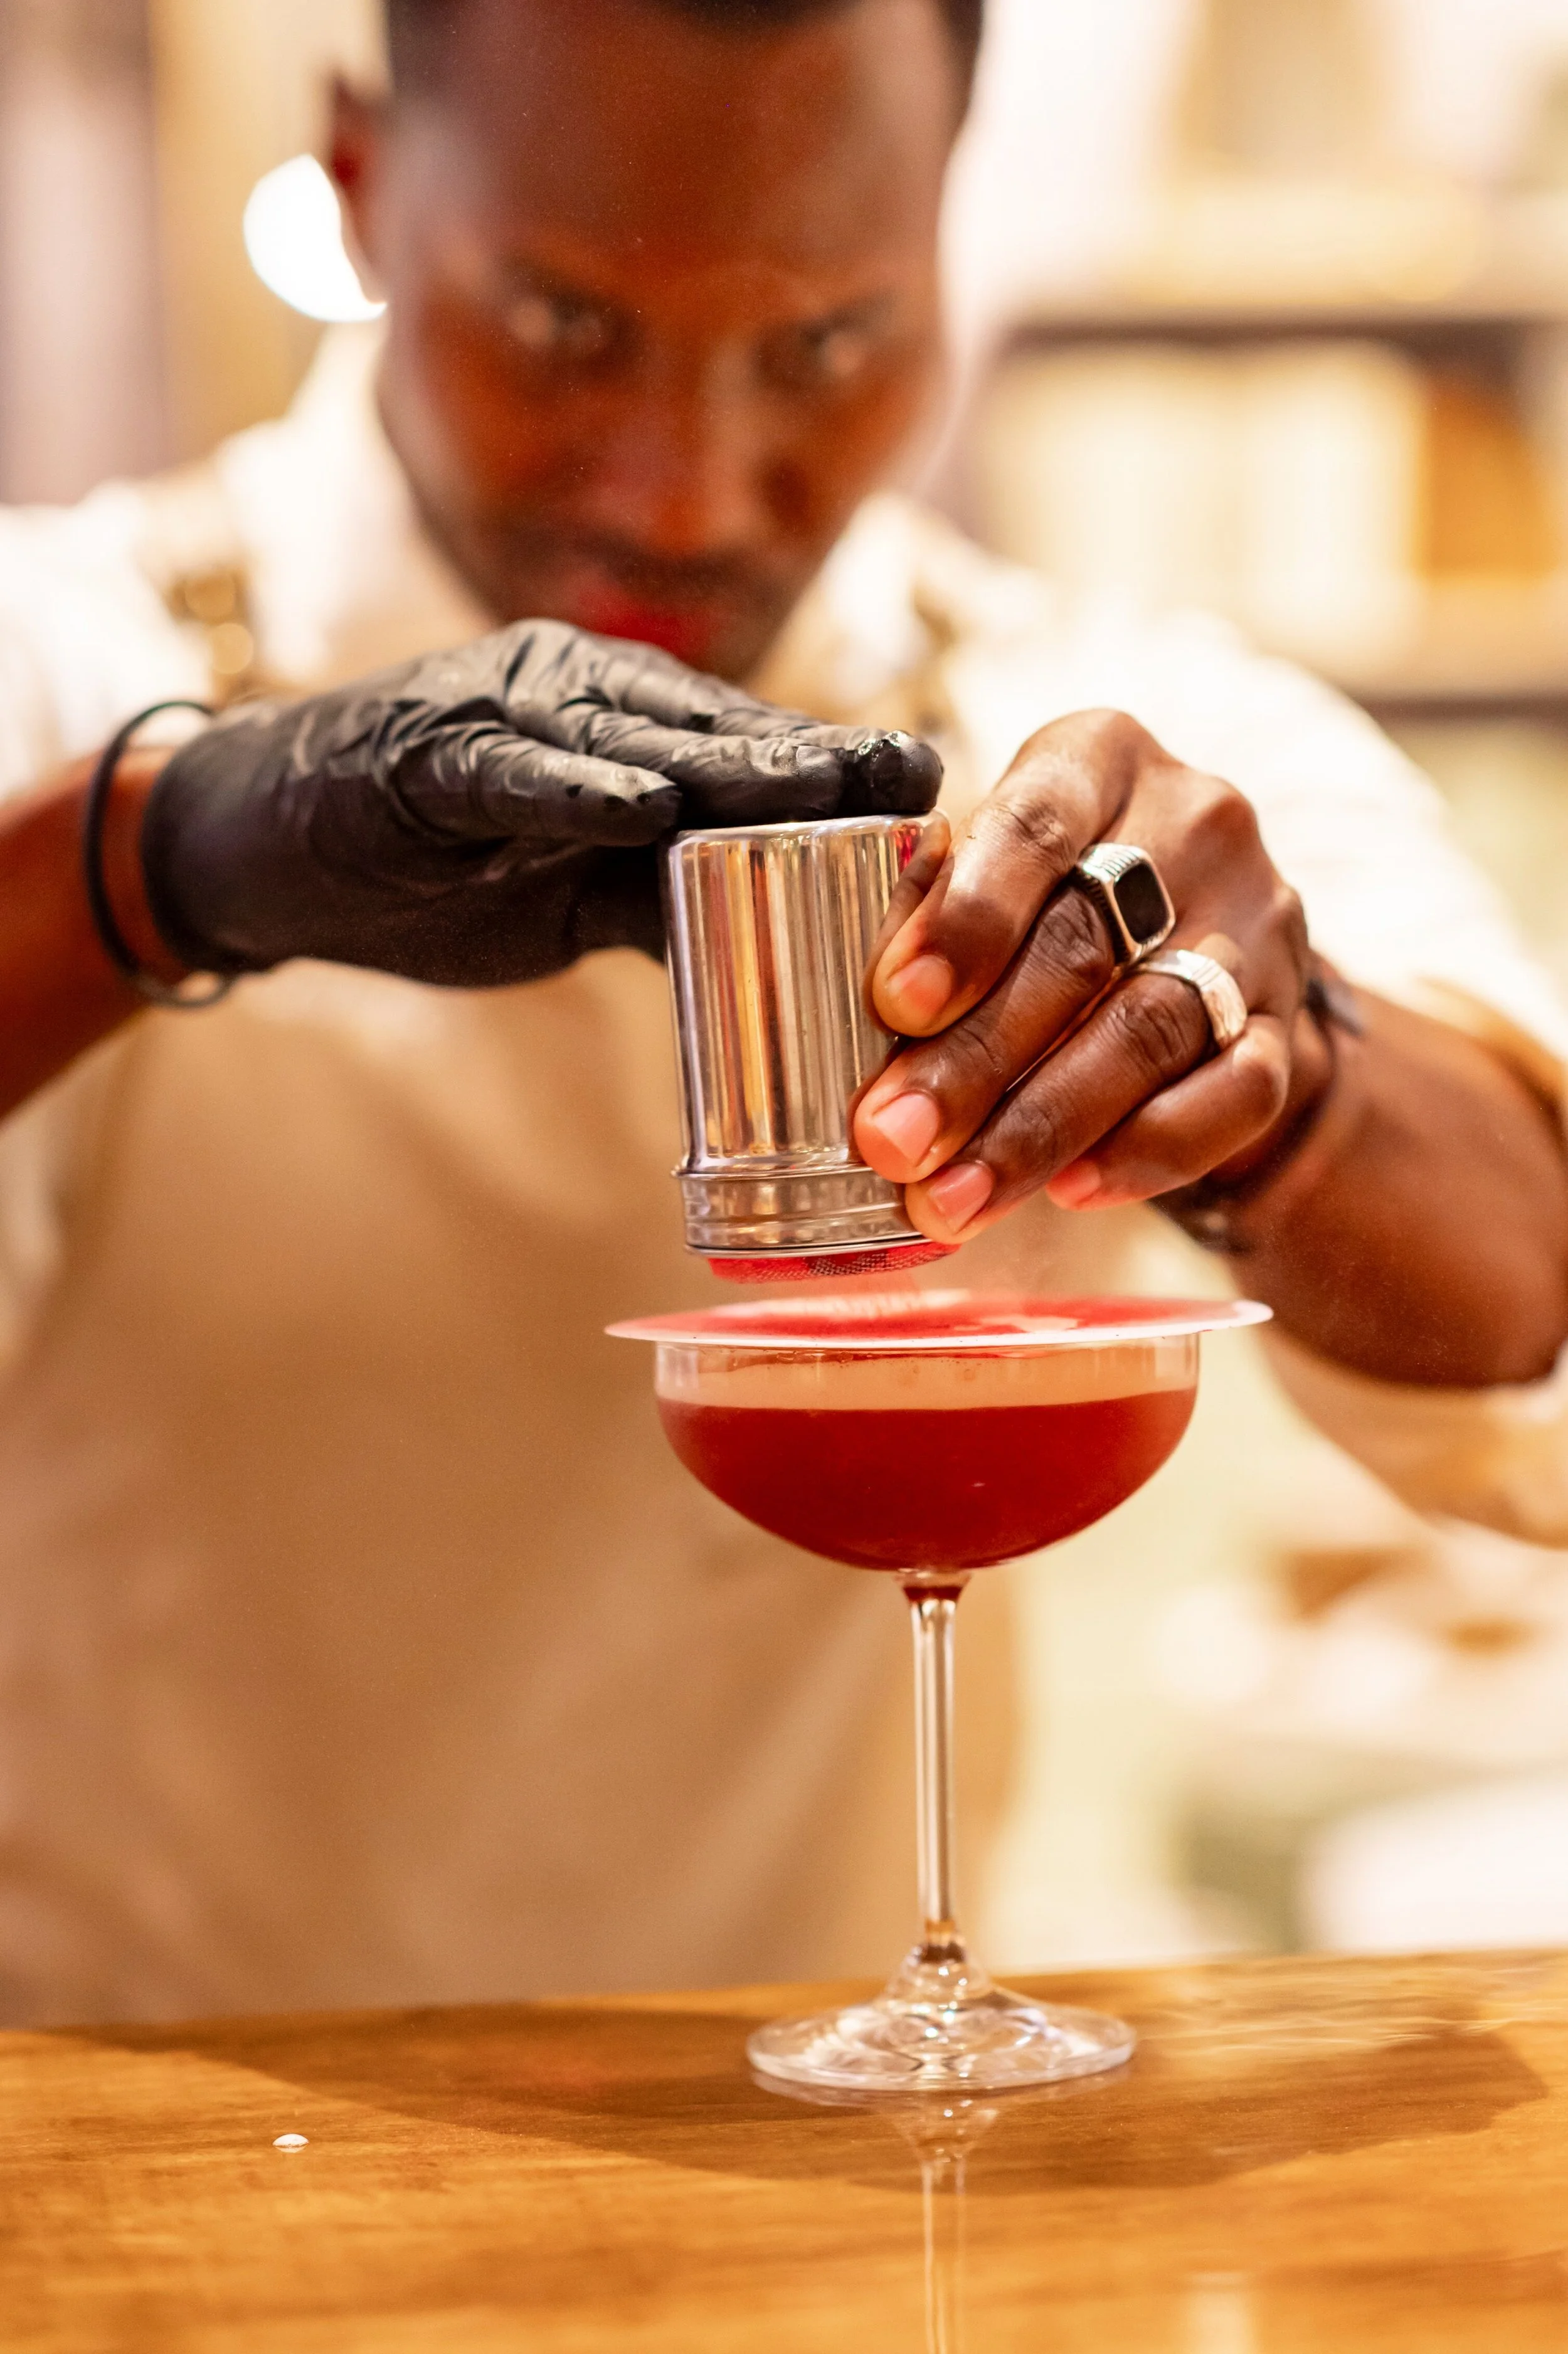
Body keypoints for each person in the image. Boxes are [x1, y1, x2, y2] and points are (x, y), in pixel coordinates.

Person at [1, 0, 1567, 2024]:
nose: (686, 492)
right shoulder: (66, 669)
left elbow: (1527, 1284)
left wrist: (1281, 1084)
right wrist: (157, 869)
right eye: (565, 329)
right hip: (153, 2199)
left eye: (824, 345)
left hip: (860, 2213)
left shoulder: (1063, 726)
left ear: (942, 241)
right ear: (369, 187)